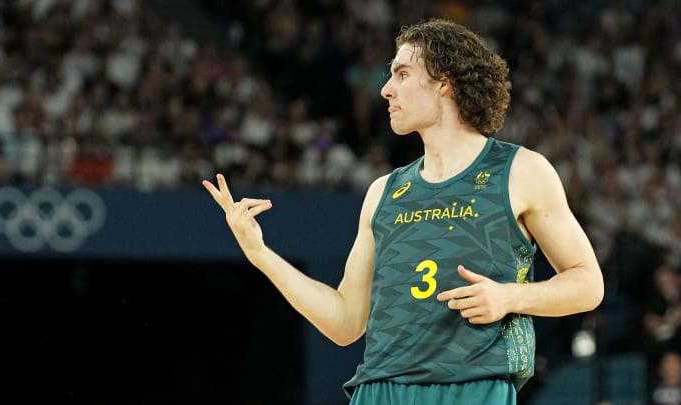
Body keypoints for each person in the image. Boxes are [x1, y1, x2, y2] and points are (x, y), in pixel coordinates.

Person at [202, 17, 604, 405]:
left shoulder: (520, 171)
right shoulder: (384, 192)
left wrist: (509, 297)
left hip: (471, 387)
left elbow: (588, 284)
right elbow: (345, 322)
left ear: (445, 82)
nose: (386, 90)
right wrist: (261, 255)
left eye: (402, 74)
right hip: (379, 390)